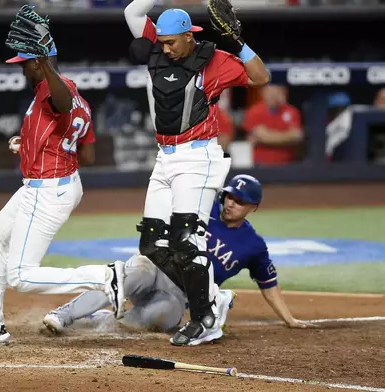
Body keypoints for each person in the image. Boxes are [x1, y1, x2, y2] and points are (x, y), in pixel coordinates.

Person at [0, 6, 125, 346]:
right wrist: (31, 144)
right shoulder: (76, 92)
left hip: (48, 189)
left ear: (37, 63)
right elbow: (85, 153)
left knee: (21, 275)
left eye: (24, 65)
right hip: (54, 180)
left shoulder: (53, 90)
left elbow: (59, 104)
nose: (21, 72)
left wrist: (44, 59)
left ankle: (105, 277)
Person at [124, 0, 270, 346]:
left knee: (186, 241)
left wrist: (237, 42)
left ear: (190, 36)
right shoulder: (160, 49)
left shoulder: (214, 59)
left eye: (172, 41)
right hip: (165, 158)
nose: (165, 47)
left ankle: (205, 319)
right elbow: (132, 12)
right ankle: (214, 297)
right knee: (152, 243)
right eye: (161, 41)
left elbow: (260, 77)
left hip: (199, 158)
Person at [43, 174, 316, 335]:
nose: (231, 203)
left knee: (160, 319)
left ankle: (103, 319)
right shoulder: (200, 210)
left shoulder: (254, 246)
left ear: (253, 207)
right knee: (125, 276)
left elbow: (268, 285)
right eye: (229, 197)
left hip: (179, 296)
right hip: (155, 269)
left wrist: (289, 320)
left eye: (240, 201)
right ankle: (63, 315)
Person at [243, 84, 303, 166]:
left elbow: (297, 137)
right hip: (261, 165)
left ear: (284, 92)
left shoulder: (292, 111)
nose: (273, 95)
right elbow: (263, 137)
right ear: (262, 92)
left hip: (288, 163)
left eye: (277, 91)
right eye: (270, 91)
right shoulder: (254, 112)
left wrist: (269, 137)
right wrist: (287, 137)